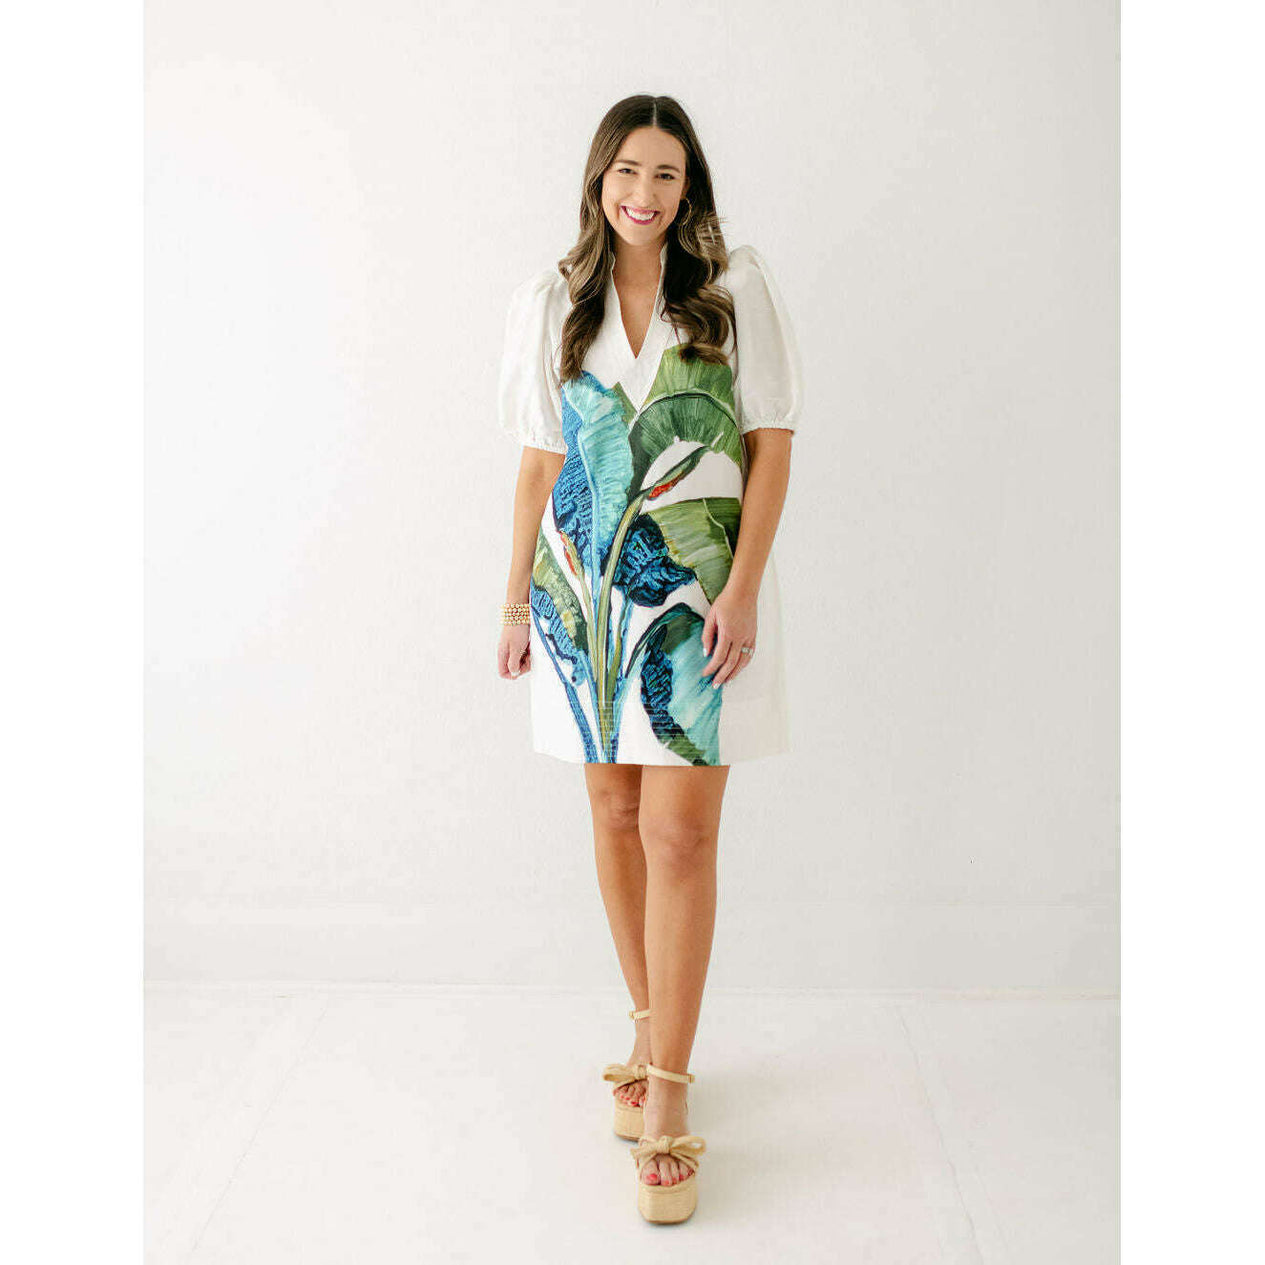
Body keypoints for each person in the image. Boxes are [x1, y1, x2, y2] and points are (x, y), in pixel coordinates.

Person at [495, 94, 802, 1224]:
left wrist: (742, 588)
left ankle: (666, 1086)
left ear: (688, 187)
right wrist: (514, 599)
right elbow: (539, 464)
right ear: (598, 177)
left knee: (680, 831)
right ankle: (648, 1023)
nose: (644, 192)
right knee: (614, 809)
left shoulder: (731, 289)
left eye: (666, 174)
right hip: (583, 598)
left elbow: (770, 445)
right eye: (628, 170)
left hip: (698, 594)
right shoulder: (552, 301)